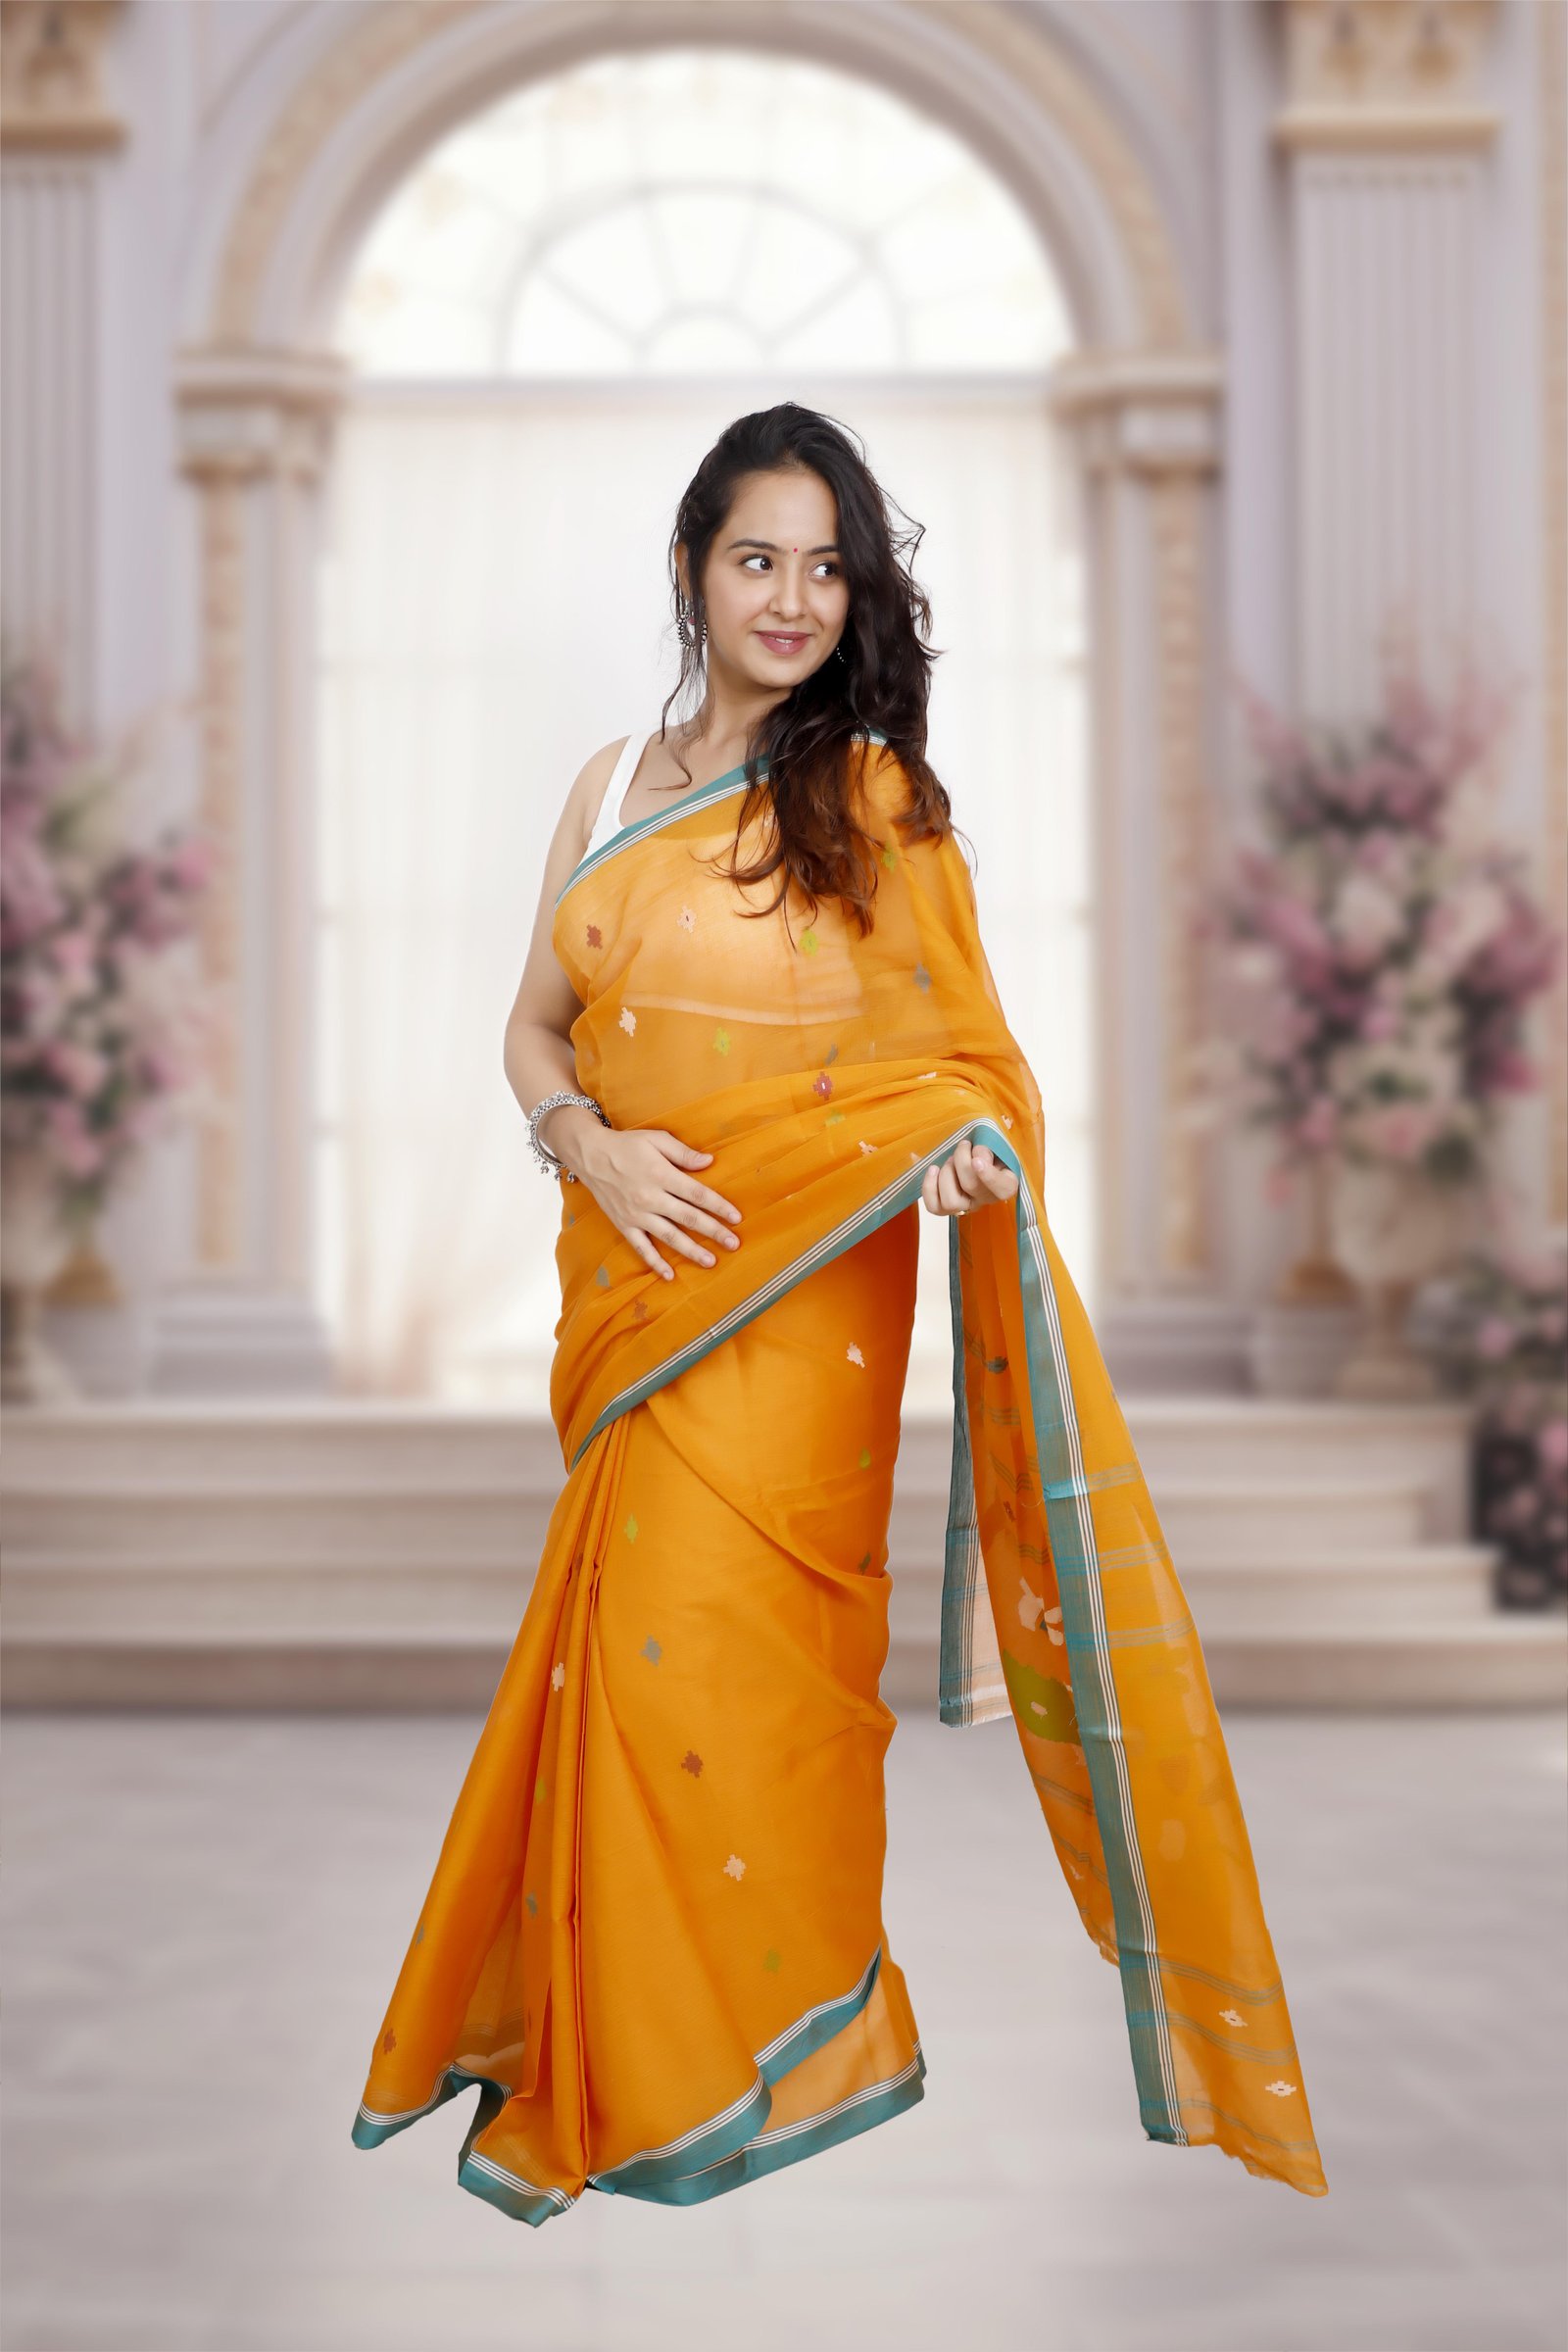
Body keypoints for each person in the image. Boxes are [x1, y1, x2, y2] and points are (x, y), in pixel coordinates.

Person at [350, 402, 1327, 2223]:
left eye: (825, 567)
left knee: (754, 1683)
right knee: (629, 1675)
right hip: (642, 1302)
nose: (792, 598)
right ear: (691, 569)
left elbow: (955, 1062)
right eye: (757, 559)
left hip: (801, 1334)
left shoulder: (873, 800)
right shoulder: (610, 789)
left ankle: (777, 2043)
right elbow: (535, 1028)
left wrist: (957, 1154)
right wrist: (587, 1148)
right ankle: (627, 2061)